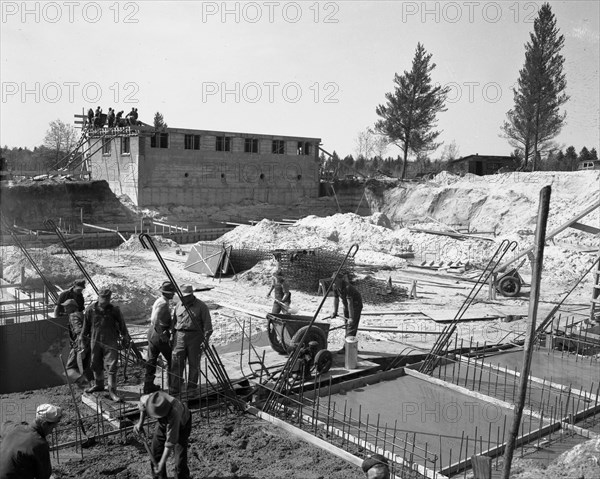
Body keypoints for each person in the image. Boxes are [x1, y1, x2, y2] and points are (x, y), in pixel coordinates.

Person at [80, 288, 131, 401]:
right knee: (95, 363)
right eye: (103, 298)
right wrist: (83, 343)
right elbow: (85, 328)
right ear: (98, 297)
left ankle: (112, 391)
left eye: (107, 299)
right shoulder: (90, 310)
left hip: (111, 341)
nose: (105, 301)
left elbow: (122, 325)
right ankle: (99, 384)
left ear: (109, 298)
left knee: (112, 366)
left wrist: (125, 337)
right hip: (95, 341)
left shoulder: (114, 310)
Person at [134, 391, 192, 479]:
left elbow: (169, 444)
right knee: (156, 453)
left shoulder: (174, 413)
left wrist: (161, 463)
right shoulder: (153, 399)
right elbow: (143, 404)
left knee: (179, 460)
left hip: (182, 426)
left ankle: (182, 477)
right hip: (162, 424)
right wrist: (140, 423)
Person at [0, 403, 63, 479]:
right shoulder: (39, 444)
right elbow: (44, 476)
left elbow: (3, 425)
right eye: (52, 428)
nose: (51, 432)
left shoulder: (12, 428)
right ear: (44, 424)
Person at [171, 284, 212, 396]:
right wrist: (172, 335)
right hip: (179, 336)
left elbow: (207, 325)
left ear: (191, 296)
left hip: (195, 337)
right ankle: (175, 388)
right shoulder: (178, 305)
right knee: (176, 363)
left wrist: (206, 339)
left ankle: (191, 389)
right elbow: (174, 322)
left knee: (194, 364)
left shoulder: (201, 306)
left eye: (185, 296)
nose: (183, 299)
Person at [144, 282, 176, 394]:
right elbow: (154, 319)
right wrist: (162, 334)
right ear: (167, 293)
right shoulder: (163, 303)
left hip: (152, 332)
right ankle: (172, 386)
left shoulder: (160, 300)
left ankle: (148, 386)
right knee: (172, 360)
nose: (174, 294)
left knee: (151, 359)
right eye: (172, 292)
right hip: (159, 333)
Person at [331, 274, 363, 354]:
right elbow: (336, 299)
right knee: (347, 325)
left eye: (335, 280)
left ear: (340, 280)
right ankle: (350, 345)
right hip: (346, 305)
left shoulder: (347, 288)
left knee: (351, 326)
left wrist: (351, 317)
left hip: (355, 305)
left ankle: (347, 348)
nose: (333, 282)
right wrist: (335, 312)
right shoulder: (335, 286)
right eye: (332, 280)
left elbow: (350, 303)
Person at [62, 299, 91, 380]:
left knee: (70, 367)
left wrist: (80, 346)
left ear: (72, 308)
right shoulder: (81, 314)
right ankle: (90, 386)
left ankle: (84, 386)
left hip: (79, 345)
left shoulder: (73, 316)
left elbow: (79, 331)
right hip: (86, 343)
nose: (65, 309)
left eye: (67, 307)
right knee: (85, 367)